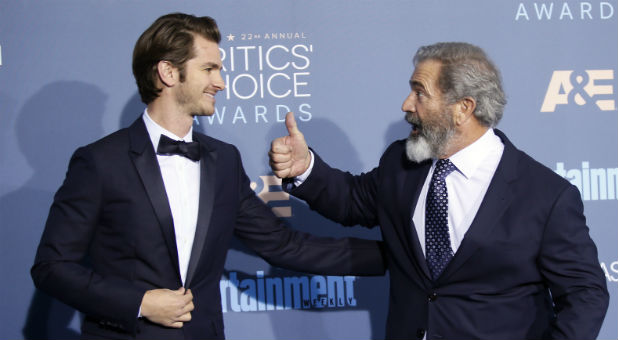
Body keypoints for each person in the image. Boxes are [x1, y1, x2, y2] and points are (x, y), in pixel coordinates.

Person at [31, 13, 385, 340]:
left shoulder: (223, 160)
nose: (221, 82)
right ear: (169, 73)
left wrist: (399, 255)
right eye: (209, 69)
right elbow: (52, 267)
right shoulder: (100, 162)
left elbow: (283, 245)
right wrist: (139, 302)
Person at [269, 42, 609, 339]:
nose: (406, 103)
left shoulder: (546, 195)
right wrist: (306, 169)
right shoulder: (401, 164)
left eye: (420, 92)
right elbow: (352, 200)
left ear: (463, 108)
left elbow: (585, 294)